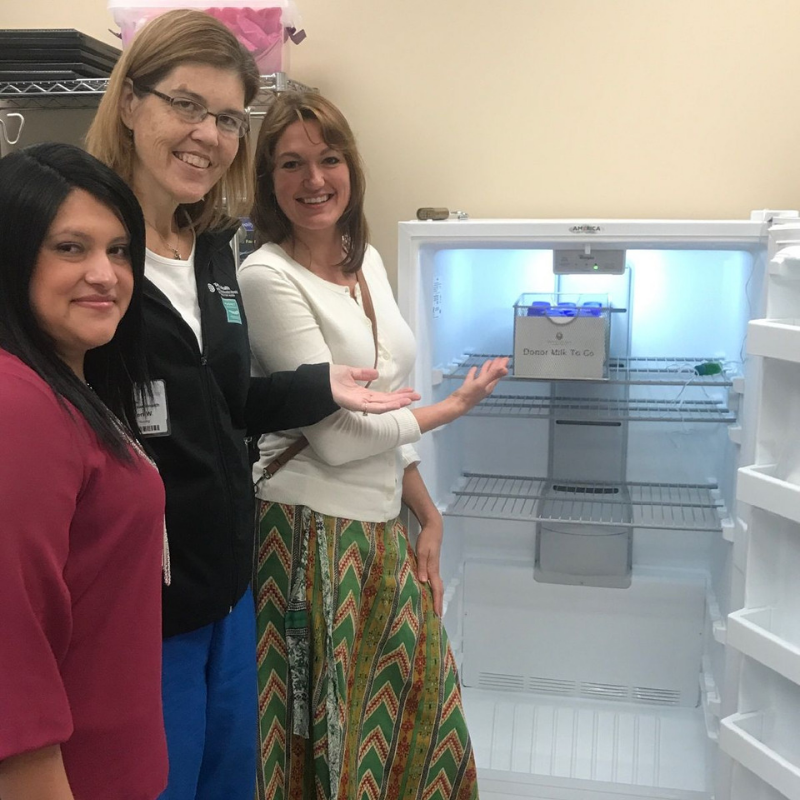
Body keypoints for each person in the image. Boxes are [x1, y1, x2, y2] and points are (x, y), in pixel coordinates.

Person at [85, 11, 416, 800]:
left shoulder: (211, 252)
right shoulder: (92, 249)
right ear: (131, 103)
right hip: (139, 612)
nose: (209, 133)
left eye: (229, 118)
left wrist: (316, 387)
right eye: (187, 105)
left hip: (229, 589)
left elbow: (225, 402)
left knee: (233, 783)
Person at [239, 91, 508, 800]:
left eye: (328, 159)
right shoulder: (267, 275)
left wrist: (427, 511)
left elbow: (387, 401)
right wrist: (450, 409)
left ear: (351, 167)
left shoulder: (369, 264)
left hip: (380, 528)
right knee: (327, 736)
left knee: (416, 728)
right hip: (307, 534)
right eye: (290, 164)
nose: (313, 180)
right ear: (268, 181)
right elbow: (336, 439)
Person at [0, 143, 167, 799]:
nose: (105, 273)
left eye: (119, 250)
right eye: (71, 248)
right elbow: (12, 648)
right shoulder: (19, 405)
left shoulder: (69, 385)